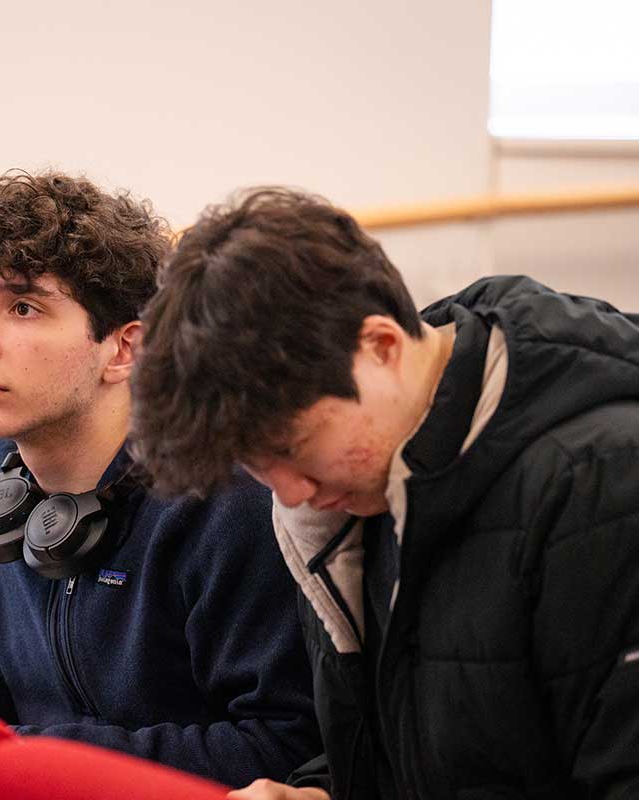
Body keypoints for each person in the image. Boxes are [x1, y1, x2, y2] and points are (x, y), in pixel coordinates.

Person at [130, 186, 639, 799]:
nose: (292, 493)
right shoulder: (361, 492)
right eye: (257, 466)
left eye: (293, 447)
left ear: (382, 348)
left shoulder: (605, 485)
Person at [0, 170, 319, 788]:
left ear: (124, 349)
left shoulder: (226, 499)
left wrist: (37, 756)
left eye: (22, 307)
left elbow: (279, 744)